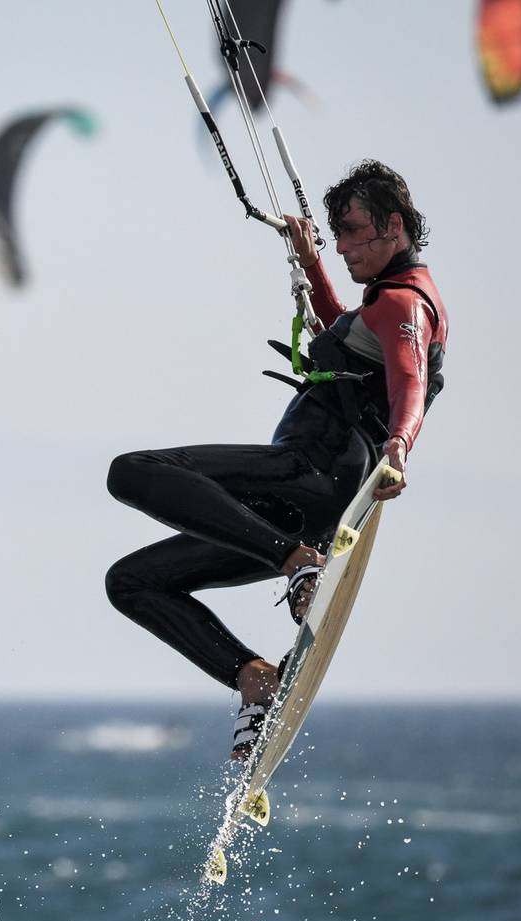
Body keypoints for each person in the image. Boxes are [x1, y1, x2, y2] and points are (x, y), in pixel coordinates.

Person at [105, 160, 450, 760]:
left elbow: (410, 380)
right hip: (292, 511)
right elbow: (344, 327)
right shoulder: (382, 304)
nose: (341, 245)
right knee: (132, 582)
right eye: (334, 233)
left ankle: (295, 564)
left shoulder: (405, 303)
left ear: (393, 226)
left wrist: (400, 442)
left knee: (132, 471)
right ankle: (254, 678)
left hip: (314, 473)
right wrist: (310, 258)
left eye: (349, 230)